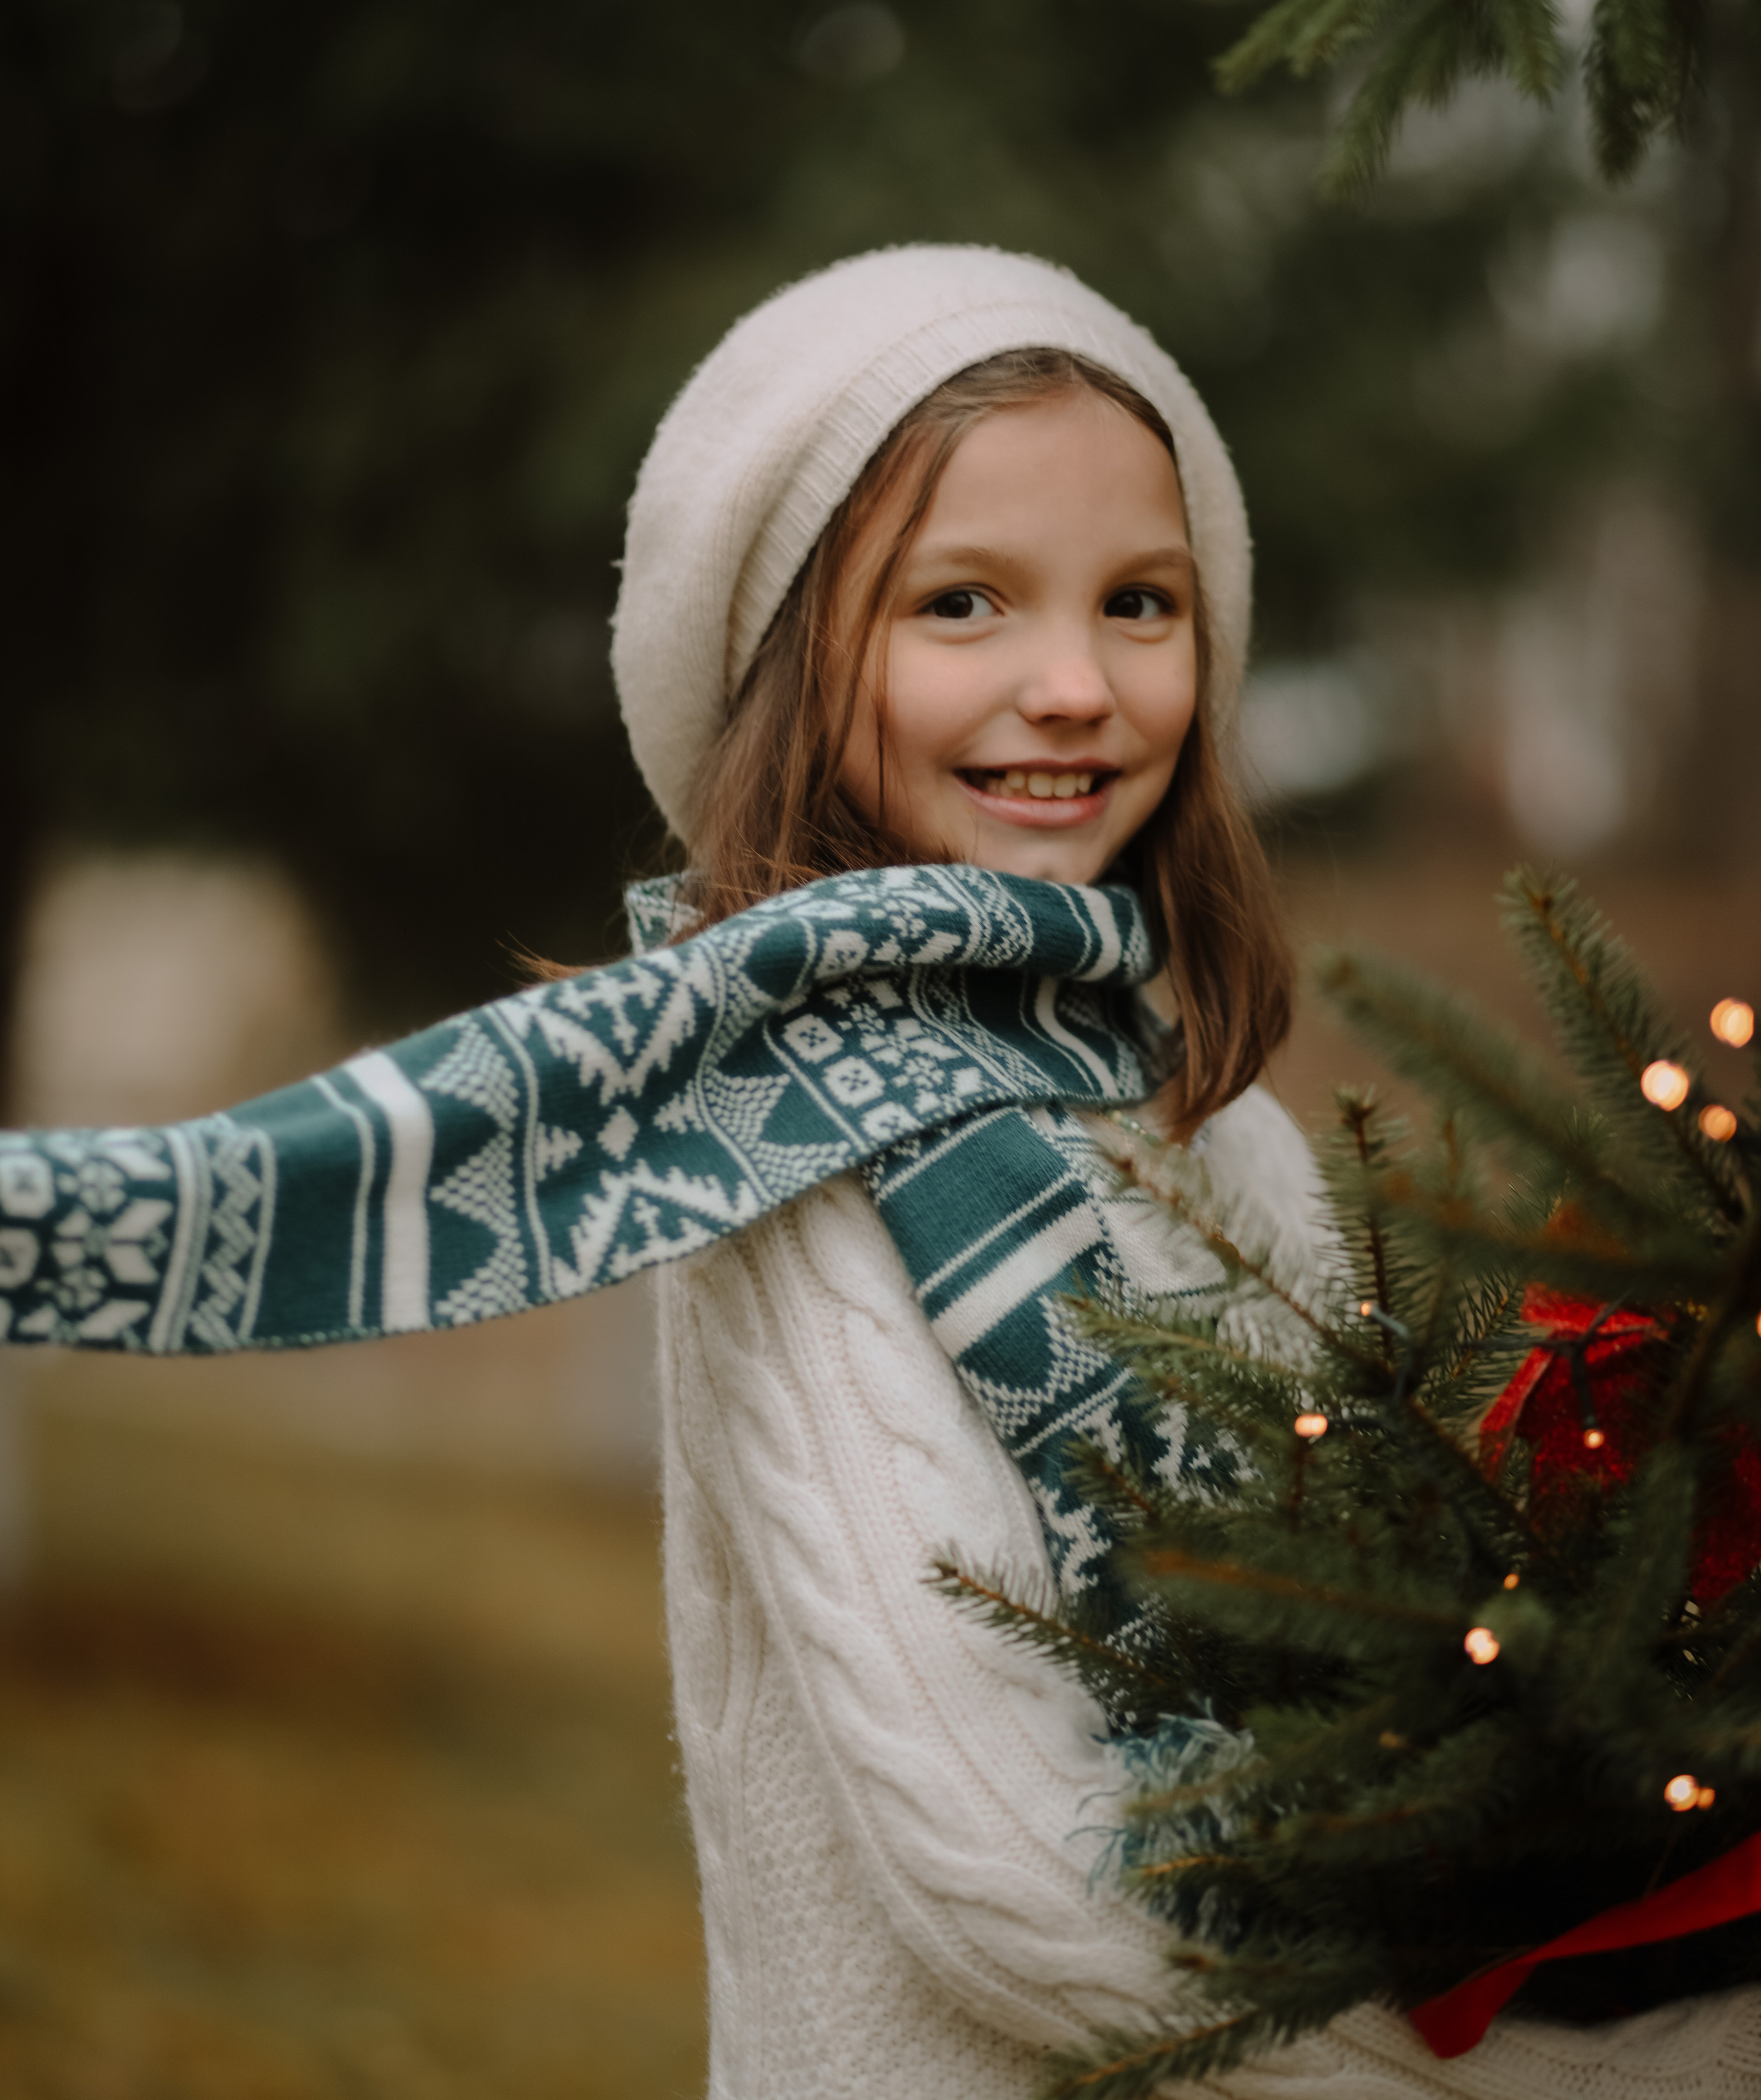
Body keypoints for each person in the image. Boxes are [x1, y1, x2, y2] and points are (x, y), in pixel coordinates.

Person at [2, 247, 1756, 2099]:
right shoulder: (790, 1140)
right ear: (787, 663)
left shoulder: (1193, 1106)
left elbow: (1371, 1632)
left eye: (1139, 603)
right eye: (962, 603)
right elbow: (1015, 1886)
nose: (1071, 685)